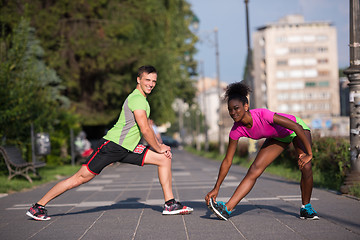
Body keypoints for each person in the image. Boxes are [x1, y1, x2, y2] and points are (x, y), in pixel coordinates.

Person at [26, 65, 193, 221]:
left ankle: (170, 204)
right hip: (112, 146)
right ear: (138, 80)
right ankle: (37, 207)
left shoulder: (142, 100)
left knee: (164, 159)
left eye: (153, 81)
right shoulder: (137, 100)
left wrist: (160, 149)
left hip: (128, 148)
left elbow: (146, 128)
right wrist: (159, 146)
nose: (151, 84)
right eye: (147, 80)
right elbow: (145, 129)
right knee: (80, 178)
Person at [205, 81, 318, 221]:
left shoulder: (262, 114)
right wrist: (216, 188)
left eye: (236, 108)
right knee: (254, 170)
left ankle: (306, 208)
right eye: (230, 110)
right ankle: (227, 208)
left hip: (297, 130)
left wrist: (309, 154)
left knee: (306, 166)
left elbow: (296, 127)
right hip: (278, 137)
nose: (233, 113)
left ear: (246, 106)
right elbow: (227, 161)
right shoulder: (236, 130)